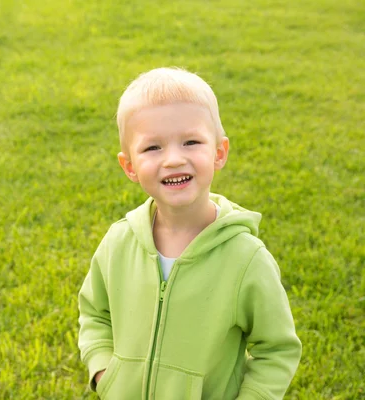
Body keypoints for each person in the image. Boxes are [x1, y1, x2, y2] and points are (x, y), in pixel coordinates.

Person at [77, 67, 301, 399]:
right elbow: (95, 311)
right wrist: (103, 372)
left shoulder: (245, 258)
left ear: (219, 153)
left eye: (191, 142)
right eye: (153, 148)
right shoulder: (119, 242)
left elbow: (277, 349)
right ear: (129, 167)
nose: (173, 159)